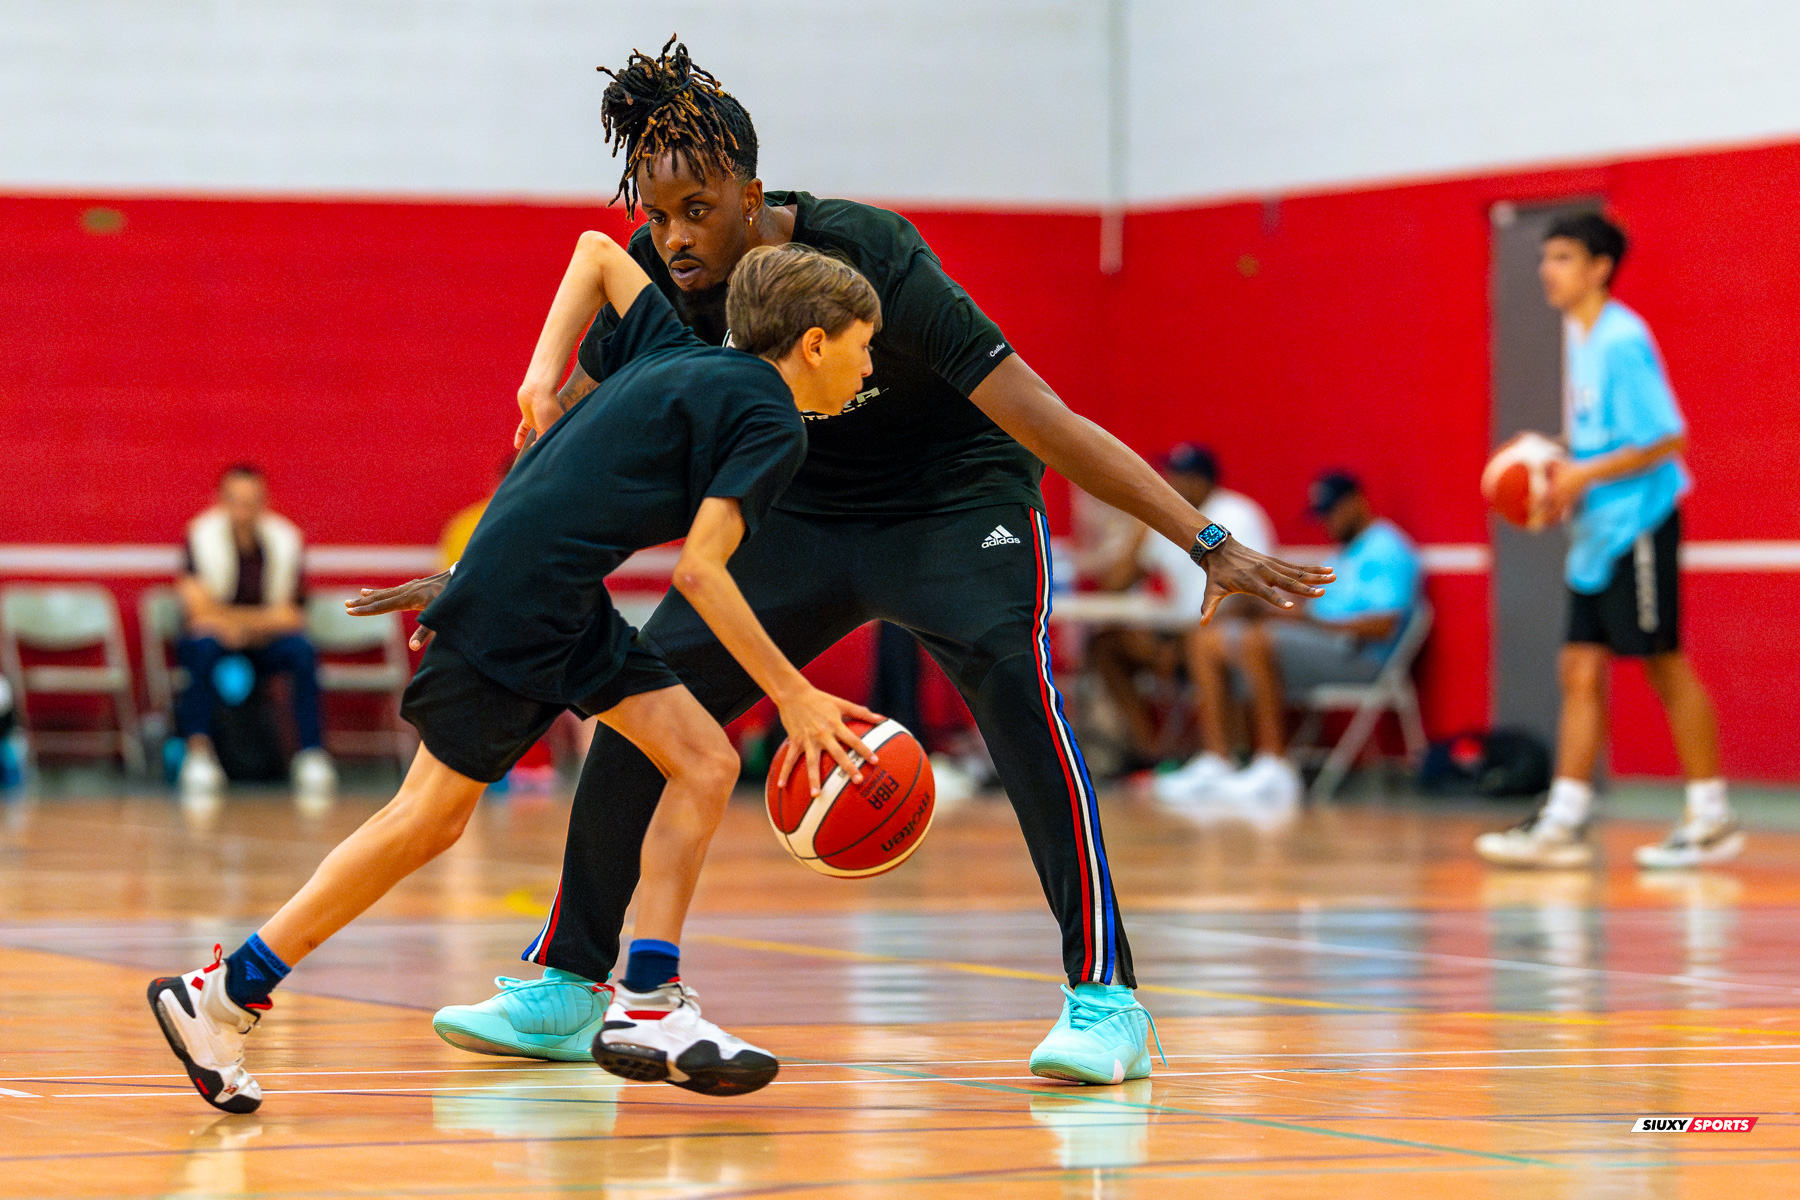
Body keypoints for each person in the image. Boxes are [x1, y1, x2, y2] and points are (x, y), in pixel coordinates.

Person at [357, 39, 1330, 1087]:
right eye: (656, 213)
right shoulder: (663, 286)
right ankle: (569, 982)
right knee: (643, 704)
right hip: (801, 512)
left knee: (1016, 692)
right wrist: (482, 572)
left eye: (696, 210)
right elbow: (566, 454)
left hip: (952, 500)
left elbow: (1043, 418)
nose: (673, 237)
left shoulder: (868, 254)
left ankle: (1107, 1002)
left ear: (751, 195)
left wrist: (1205, 540)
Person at [147, 235, 886, 1113]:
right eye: (864, 345)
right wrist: (795, 696)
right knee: (427, 819)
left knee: (703, 761)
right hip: (534, 599)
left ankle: (648, 1000)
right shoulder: (770, 419)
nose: (869, 367)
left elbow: (597, 253)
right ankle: (222, 995)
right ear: (814, 343)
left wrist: (540, 379)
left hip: (549, 592)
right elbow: (700, 572)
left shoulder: (674, 349)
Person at [1475, 211, 1737, 870]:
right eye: (1545, 257)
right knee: (1578, 668)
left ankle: (1711, 817)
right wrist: (1553, 459)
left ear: (1600, 268)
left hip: (1639, 523)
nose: (1547, 270)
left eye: (1563, 257)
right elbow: (1605, 436)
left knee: (1663, 664)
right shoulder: (1579, 334)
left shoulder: (1622, 339)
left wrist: (1581, 474)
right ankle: (1564, 819)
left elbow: (1667, 437)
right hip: (1596, 532)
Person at [1158, 472, 1421, 818]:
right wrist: (1279, 607)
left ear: (1357, 502)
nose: (1328, 522)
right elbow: (1322, 607)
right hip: (1322, 644)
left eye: (1333, 511)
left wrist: (1302, 619)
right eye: (1322, 515)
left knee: (1255, 640)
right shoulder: (1348, 551)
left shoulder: (1387, 548)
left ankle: (1274, 764)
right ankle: (1218, 761)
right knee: (1205, 641)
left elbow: (1382, 626)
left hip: (1360, 658)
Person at [1085, 443, 1277, 768]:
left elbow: (1252, 590)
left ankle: (1224, 756)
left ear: (1201, 480)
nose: (1169, 483)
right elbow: (1116, 582)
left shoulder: (1235, 513)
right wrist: (1140, 525)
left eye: (1177, 476)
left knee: (1202, 643)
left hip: (1220, 628)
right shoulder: (1167, 519)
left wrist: (1193, 633)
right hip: (1176, 632)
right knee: (1107, 646)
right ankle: (1151, 753)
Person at [174, 465, 334, 804]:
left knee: (302, 650)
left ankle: (311, 753)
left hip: (263, 643)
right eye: (235, 501)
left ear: (265, 503)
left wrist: (240, 625)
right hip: (218, 640)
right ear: (220, 501)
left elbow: (293, 615)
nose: (243, 511)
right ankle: (198, 753)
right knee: (200, 646)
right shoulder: (201, 536)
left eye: (251, 502)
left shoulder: (285, 540)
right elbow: (196, 610)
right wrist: (254, 621)